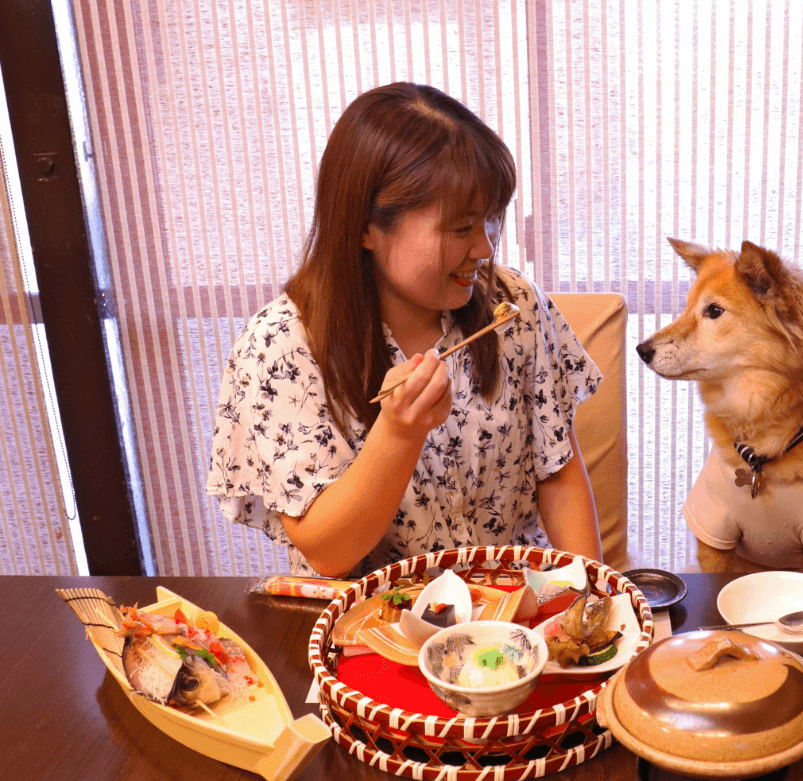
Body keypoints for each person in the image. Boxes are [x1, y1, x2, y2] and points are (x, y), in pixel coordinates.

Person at [206, 82, 603, 578]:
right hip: (372, 617)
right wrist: (398, 434)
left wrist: (594, 594)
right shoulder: (279, 347)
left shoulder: (513, 304)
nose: (485, 247)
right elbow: (328, 553)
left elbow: (557, 471)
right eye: (461, 227)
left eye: (491, 220)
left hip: (515, 604)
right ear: (365, 227)